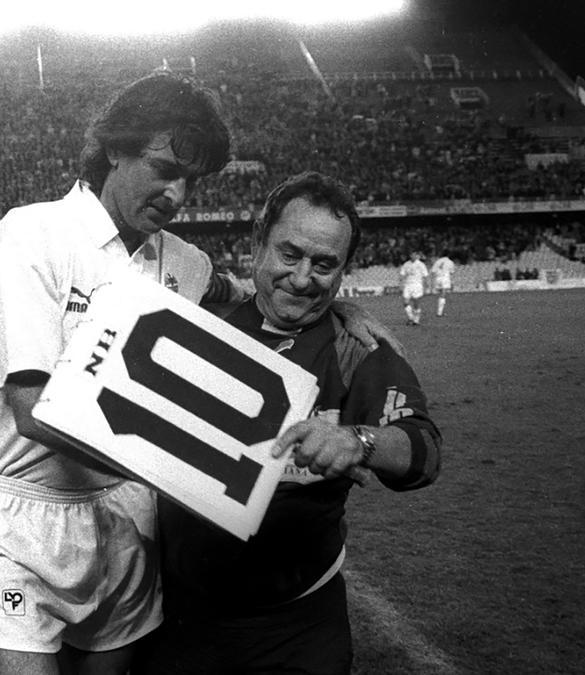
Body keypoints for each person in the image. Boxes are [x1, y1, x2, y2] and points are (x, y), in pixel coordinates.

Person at [0, 73, 397, 675]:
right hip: (21, 515)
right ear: (115, 147)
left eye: (191, 180)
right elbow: (33, 410)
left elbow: (257, 292)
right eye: (163, 168)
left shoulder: (185, 265)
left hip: (125, 514)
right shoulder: (33, 234)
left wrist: (333, 304)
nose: (177, 193)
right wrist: (193, 469)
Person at [135, 171, 442, 675]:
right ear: (258, 243)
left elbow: (423, 451)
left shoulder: (357, 349)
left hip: (296, 631)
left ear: (344, 269)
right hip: (179, 622)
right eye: (289, 254)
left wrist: (358, 440)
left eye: (324, 265)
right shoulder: (199, 315)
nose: (302, 279)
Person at [399, 250, 430, 325]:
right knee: (405, 302)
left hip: (417, 285)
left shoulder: (421, 264)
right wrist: (401, 283)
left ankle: (416, 320)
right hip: (408, 285)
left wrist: (427, 285)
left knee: (416, 303)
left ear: (416, 255)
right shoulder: (406, 264)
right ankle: (410, 318)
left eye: (414, 254)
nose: (412, 256)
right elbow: (402, 274)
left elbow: (426, 275)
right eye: (411, 254)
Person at [430, 250, 456, 317]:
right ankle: (439, 313)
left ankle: (440, 311)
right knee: (443, 295)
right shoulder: (450, 262)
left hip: (438, 278)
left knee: (441, 294)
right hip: (445, 278)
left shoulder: (437, 261)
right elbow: (452, 272)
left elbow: (432, 271)